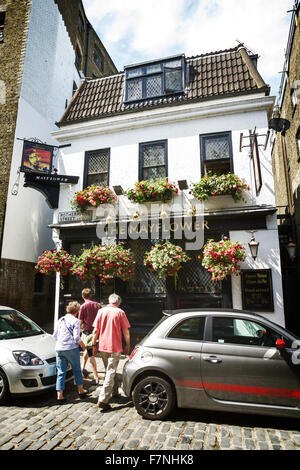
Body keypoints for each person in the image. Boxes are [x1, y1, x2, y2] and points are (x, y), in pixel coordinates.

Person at [92, 293, 130, 410]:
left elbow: (95, 331)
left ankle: (114, 393)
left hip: (103, 346)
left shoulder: (101, 311)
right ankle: (103, 399)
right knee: (111, 371)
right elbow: (126, 331)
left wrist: (94, 344)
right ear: (118, 302)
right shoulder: (120, 312)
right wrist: (128, 344)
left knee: (109, 371)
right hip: (115, 346)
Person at [53, 301, 88, 403]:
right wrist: (83, 346)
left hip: (59, 348)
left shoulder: (60, 320)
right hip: (71, 348)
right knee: (76, 369)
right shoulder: (76, 321)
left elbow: (55, 335)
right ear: (77, 311)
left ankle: (60, 395)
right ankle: (81, 391)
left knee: (61, 371)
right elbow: (76, 337)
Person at [78, 288, 101, 384]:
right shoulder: (97, 305)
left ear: (82, 296)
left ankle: (96, 378)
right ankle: (82, 369)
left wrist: (77, 332)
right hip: (97, 331)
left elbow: (80, 321)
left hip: (87, 332)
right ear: (91, 295)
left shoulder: (83, 306)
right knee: (87, 352)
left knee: (91, 354)